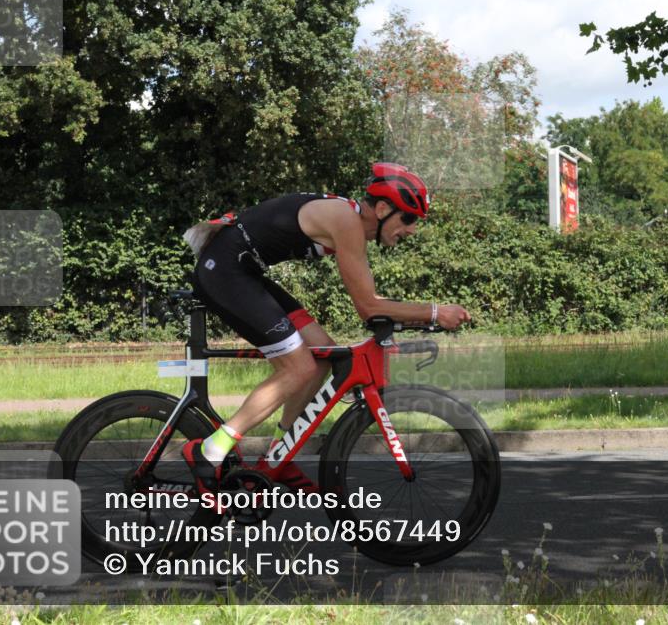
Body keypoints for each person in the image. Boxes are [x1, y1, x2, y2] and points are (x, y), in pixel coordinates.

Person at [181, 162, 471, 503]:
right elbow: (369, 306)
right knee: (299, 366)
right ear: (381, 208)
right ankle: (211, 450)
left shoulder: (349, 222)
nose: (411, 230)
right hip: (226, 270)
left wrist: (418, 316)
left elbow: (368, 302)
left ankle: (280, 454)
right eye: (407, 218)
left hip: (243, 269)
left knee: (321, 358)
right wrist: (435, 312)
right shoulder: (345, 221)